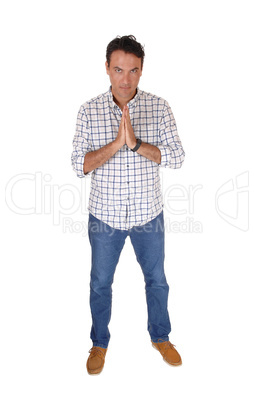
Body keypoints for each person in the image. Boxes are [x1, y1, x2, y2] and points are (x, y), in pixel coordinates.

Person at [71, 35, 185, 375]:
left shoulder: (159, 106)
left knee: (157, 280)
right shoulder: (89, 110)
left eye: (133, 70)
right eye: (118, 69)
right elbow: (79, 164)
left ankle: (160, 337)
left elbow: (177, 158)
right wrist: (116, 143)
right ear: (107, 68)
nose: (126, 79)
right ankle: (99, 343)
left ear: (141, 70)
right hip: (104, 217)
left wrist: (135, 145)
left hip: (149, 214)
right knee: (100, 282)